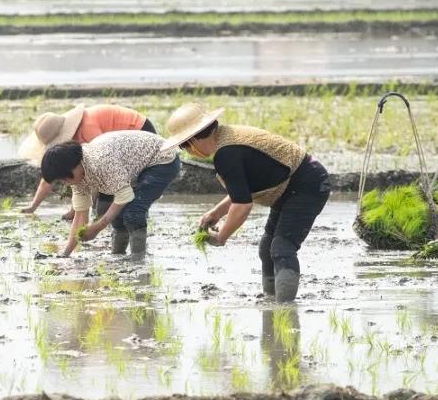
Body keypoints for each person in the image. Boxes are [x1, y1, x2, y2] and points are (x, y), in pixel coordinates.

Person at [165, 103, 331, 302]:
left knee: (282, 247)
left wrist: (222, 237)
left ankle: (284, 310)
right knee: (267, 248)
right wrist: (216, 213)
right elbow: (243, 191)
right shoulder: (226, 139)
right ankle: (271, 298)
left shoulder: (227, 153)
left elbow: (243, 205)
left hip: (306, 184)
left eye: (184, 145)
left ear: (192, 140)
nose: (186, 150)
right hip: (288, 187)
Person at [40, 130, 180, 258]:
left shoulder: (101, 161)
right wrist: (65, 254)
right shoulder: (77, 178)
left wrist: (98, 226)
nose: (66, 183)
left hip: (162, 157)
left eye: (64, 178)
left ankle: (138, 259)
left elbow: (124, 196)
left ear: (74, 166)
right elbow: (80, 215)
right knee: (117, 215)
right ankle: (118, 255)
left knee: (133, 211)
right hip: (136, 165)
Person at [18, 104, 156, 218]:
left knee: (113, 199)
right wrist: (33, 206)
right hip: (115, 151)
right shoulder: (72, 140)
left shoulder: (88, 131)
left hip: (139, 133)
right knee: (103, 205)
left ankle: (134, 220)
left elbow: (98, 171)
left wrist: (77, 211)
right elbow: (49, 176)